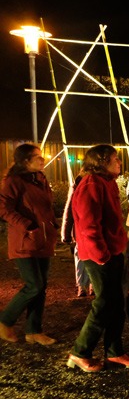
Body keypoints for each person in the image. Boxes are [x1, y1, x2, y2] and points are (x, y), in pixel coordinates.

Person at [67, 144, 129, 372]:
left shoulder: (105, 182)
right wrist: (101, 255)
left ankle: (114, 352)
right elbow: (89, 224)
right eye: (115, 158)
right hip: (99, 256)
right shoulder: (91, 184)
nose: (119, 162)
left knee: (116, 303)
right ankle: (80, 352)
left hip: (113, 252)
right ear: (101, 162)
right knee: (105, 302)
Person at [0, 143, 58, 345]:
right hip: (25, 240)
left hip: (44, 239)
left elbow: (45, 206)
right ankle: (4, 321)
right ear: (25, 161)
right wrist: (27, 225)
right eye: (37, 157)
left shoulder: (40, 179)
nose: (42, 159)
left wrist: (53, 224)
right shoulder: (13, 182)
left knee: (41, 288)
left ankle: (34, 330)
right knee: (34, 285)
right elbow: (4, 209)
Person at [61, 174, 92, 298]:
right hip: (80, 230)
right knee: (80, 257)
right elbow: (69, 211)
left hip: (92, 228)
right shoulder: (78, 185)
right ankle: (81, 285)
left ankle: (90, 284)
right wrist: (66, 233)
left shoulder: (97, 184)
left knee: (92, 257)